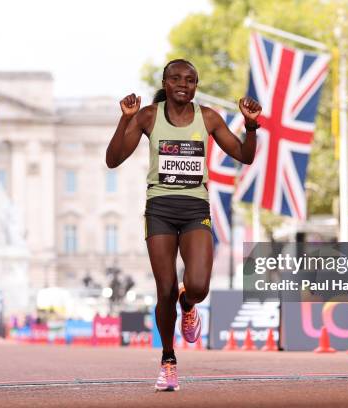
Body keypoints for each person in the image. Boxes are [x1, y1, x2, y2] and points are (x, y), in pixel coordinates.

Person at [106, 59, 261, 392]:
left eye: (189, 80)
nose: (182, 83)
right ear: (165, 82)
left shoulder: (208, 118)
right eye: (175, 78)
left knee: (199, 285)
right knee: (163, 289)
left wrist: (250, 127)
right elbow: (113, 158)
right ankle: (168, 360)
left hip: (195, 209)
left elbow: (244, 156)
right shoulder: (149, 116)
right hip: (160, 208)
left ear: (196, 85)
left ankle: (188, 304)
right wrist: (125, 120)